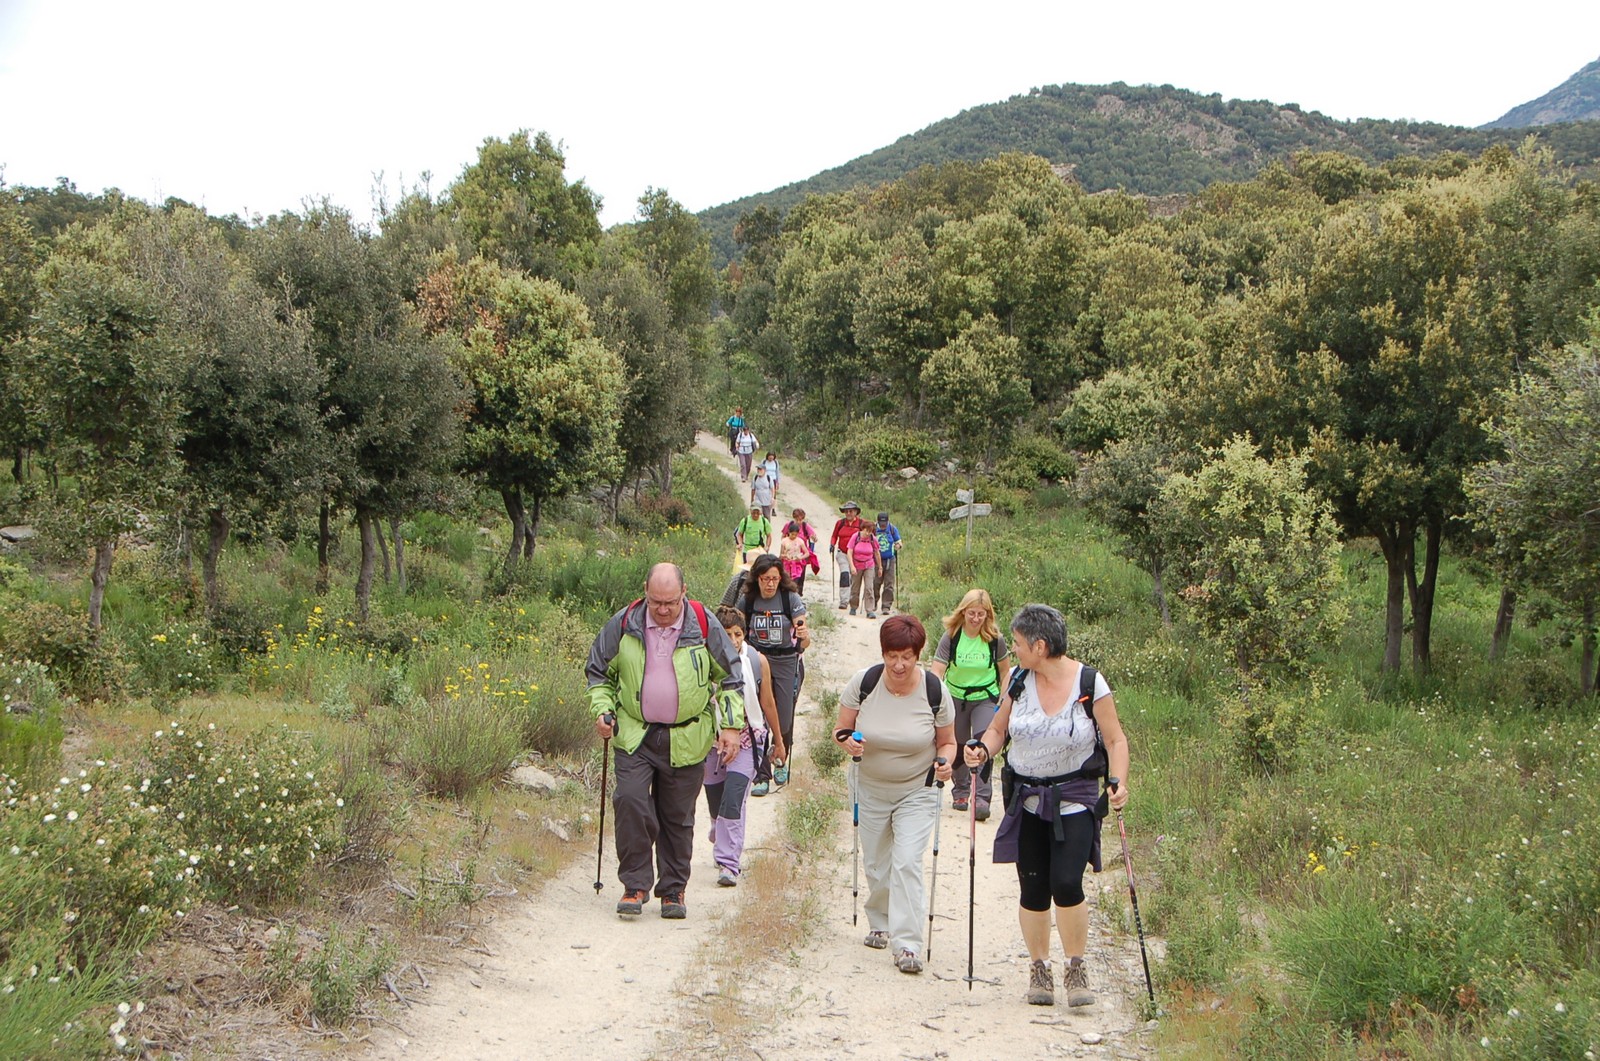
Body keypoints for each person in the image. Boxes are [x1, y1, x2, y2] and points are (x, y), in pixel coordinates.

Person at [961, 604, 1130, 1007]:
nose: (1013, 650)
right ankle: (1039, 968)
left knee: (1067, 882)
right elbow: (998, 729)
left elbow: (1115, 739)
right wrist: (982, 750)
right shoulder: (1017, 680)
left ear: (1040, 646)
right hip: (1027, 800)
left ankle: (1075, 966)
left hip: (1076, 798)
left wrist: (1118, 782)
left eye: (1019, 644)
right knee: (1033, 887)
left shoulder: (1089, 682)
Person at [587, 564, 745, 920]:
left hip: (687, 736)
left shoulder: (702, 624)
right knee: (630, 801)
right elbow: (598, 672)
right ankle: (635, 885)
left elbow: (731, 676)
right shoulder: (625, 623)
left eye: (670, 602)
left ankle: (673, 890)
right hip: (634, 733)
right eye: (655, 601)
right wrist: (603, 709)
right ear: (645, 590)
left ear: (683, 593)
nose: (662, 609)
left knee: (677, 816)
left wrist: (732, 727)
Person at [834, 615, 956, 975]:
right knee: (876, 861)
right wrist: (848, 743)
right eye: (892, 656)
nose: (899, 664)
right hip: (869, 787)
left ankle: (907, 944)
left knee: (906, 861)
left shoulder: (934, 691)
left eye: (907, 657)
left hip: (917, 790)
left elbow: (948, 742)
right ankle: (880, 920)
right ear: (883, 653)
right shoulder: (865, 683)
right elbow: (841, 729)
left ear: (918, 655)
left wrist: (945, 763)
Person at [704, 606, 787, 886]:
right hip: (712, 740)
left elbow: (768, 703)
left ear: (745, 634)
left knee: (734, 798)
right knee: (715, 799)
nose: (733, 640)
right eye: (727, 634)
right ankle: (718, 829)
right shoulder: (705, 660)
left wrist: (778, 740)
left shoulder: (756, 661)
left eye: (738, 634)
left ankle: (729, 863)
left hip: (748, 738)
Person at [928, 588, 1012, 821]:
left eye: (981, 614)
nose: (976, 619)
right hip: (955, 696)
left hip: (985, 697)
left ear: (988, 615)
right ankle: (961, 791)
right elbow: (937, 670)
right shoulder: (952, 636)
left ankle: (982, 797)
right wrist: (937, 697)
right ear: (963, 612)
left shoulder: (995, 639)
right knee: (958, 743)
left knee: (983, 744)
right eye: (972, 613)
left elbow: (1005, 672)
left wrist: (1003, 700)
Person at [740, 555, 810, 796]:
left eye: (774, 579)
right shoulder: (748, 601)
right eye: (765, 579)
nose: (770, 584)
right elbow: (737, 629)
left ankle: (781, 758)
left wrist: (803, 634)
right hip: (758, 660)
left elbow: (804, 640)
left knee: (784, 716)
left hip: (786, 661)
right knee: (757, 715)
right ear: (757, 578)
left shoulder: (790, 599)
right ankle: (762, 774)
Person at [829, 502, 869, 610]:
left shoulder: (862, 523)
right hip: (842, 553)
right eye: (846, 511)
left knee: (854, 578)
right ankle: (844, 601)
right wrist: (832, 544)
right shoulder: (840, 523)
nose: (848, 513)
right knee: (845, 575)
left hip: (857, 555)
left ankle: (852, 599)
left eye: (851, 511)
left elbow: (870, 535)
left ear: (856, 512)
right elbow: (834, 536)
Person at [847, 519, 881, 618]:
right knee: (855, 587)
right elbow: (849, 551)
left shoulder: (872, 539)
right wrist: (852, 566)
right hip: (857, 564)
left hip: (869, 565)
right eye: (867, 531)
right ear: (863, 528)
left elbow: (877, 553)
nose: (868, 533)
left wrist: (880, 567)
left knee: (869, 587)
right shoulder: (856, 536)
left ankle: (869, 610)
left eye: (870, 531)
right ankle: (853, 606)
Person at [782, 508, 821, 593]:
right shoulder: (789, 525)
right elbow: (783, 537)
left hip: (802, 555)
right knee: (788, 575)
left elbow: (813, 537)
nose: (799, 522)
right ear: (794, 518)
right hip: (789, 555)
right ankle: (789, 591)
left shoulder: (805, 526)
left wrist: (814, 538)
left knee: (800, 575)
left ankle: (799, 593)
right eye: (797, 519)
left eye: (801, 519)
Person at [872, 512, 903, 615]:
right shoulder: (873, 528)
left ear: (887, 521)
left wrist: (898, 546)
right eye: (881, 523)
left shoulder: (892, 529)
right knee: (875, 582)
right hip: (876, 560)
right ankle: (873, 603)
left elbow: (899, 541)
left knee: (889, 584)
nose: (883, 525)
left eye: (884, 523)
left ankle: (886, 606)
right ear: (877, 521)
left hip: (890, 559)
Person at [779, 523, 811, 587]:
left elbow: (807, 553)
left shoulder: (800, 541)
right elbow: (781, 554)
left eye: (795, 535)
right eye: (792, 534)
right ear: (789, 532)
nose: (794, 536)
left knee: (795, 581)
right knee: (787, 581)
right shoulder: (784, 541)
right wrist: (784, 556)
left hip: (796, 564)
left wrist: (800, 558)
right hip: (787, 564)